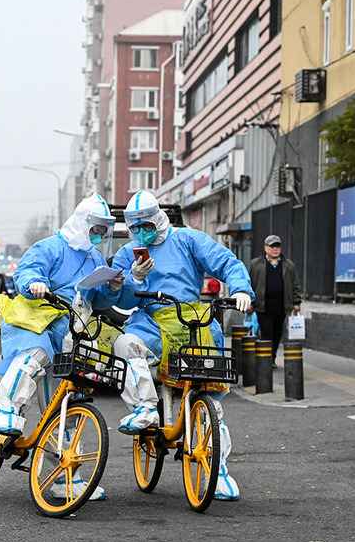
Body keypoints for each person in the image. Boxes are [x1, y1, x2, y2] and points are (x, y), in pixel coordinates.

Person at [109, 190, 254, 501]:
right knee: (126, 343)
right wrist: (132, 280)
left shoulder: (188, 239)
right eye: (135, 228)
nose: (141, 233)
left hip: (192, 321)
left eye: (146, 225)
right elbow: (116, 298)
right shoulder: (128, 252)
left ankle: (219, 471)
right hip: (150, 321)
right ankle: (145, 408)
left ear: (158, 218)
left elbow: (226, 262)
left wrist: (240, 289)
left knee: (211, 405)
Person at [0, 194, 120, 500]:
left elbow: (97, 300)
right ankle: (5, 409)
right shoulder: (50, 247)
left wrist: (113, 288)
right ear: (82, 223)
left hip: (70, 333)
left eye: (104, 230)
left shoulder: (96, 259)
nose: (99, 235)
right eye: (96, 228)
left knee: (64, 409)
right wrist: (35, 283)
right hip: (33, 321)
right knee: (36, 356)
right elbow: (26, 271)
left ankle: (63, 478)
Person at [248, 235, 302, 367]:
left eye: (277, 246)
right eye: (272, 246)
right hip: (263, 306)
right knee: (266, 332)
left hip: (282, 306)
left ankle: (271, 357)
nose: (275, 249)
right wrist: (249, 301)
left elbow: (295, 285)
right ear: (265, 248)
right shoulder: (256, 264)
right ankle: (266, 360)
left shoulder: (288, 265)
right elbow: (249, 284)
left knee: (278, 333)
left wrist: (296, 302)